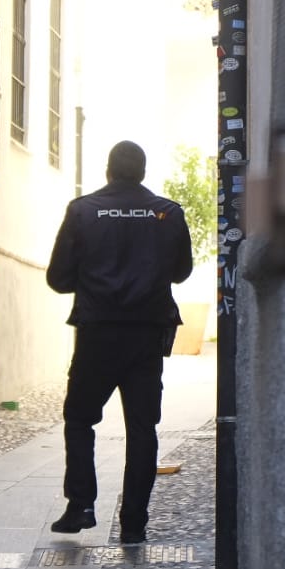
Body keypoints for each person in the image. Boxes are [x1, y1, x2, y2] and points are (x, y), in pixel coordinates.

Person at [46, 140, 193, 545]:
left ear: (108, 170)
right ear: (143, 173)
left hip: (97, 332)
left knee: (80, 419)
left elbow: (58, 279)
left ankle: (81, 505)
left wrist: (92, 278)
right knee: (143, 427)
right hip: (148, 332)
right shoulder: (168, 213)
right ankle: (133, 524)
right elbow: (181, 273)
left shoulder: (83, 211)